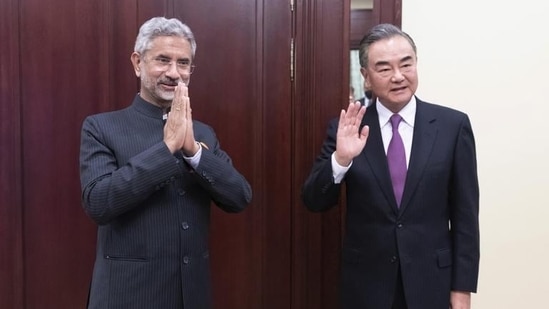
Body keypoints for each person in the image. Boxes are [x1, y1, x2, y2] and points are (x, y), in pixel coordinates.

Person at [302, 23, 479, 309]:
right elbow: (314, 200)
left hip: (432, 281)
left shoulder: (452, 126)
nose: (398, 76)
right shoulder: (348, 128)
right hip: (367, 286)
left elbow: (466, 217)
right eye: (384, 68)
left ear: (416, 64)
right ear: (366, 77)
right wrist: (341, 160)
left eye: (406, 64)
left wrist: (462, 290)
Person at [79, 17, 252, 309]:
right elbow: (99, 203)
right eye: (163, 60)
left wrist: (194, 152)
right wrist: (167, 147)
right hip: (127, 297)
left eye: (183, 63)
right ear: (137, 63)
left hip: (191, 296)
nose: (174, 73)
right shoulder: (100, 128)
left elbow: (240, 197)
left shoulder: (203, 133)